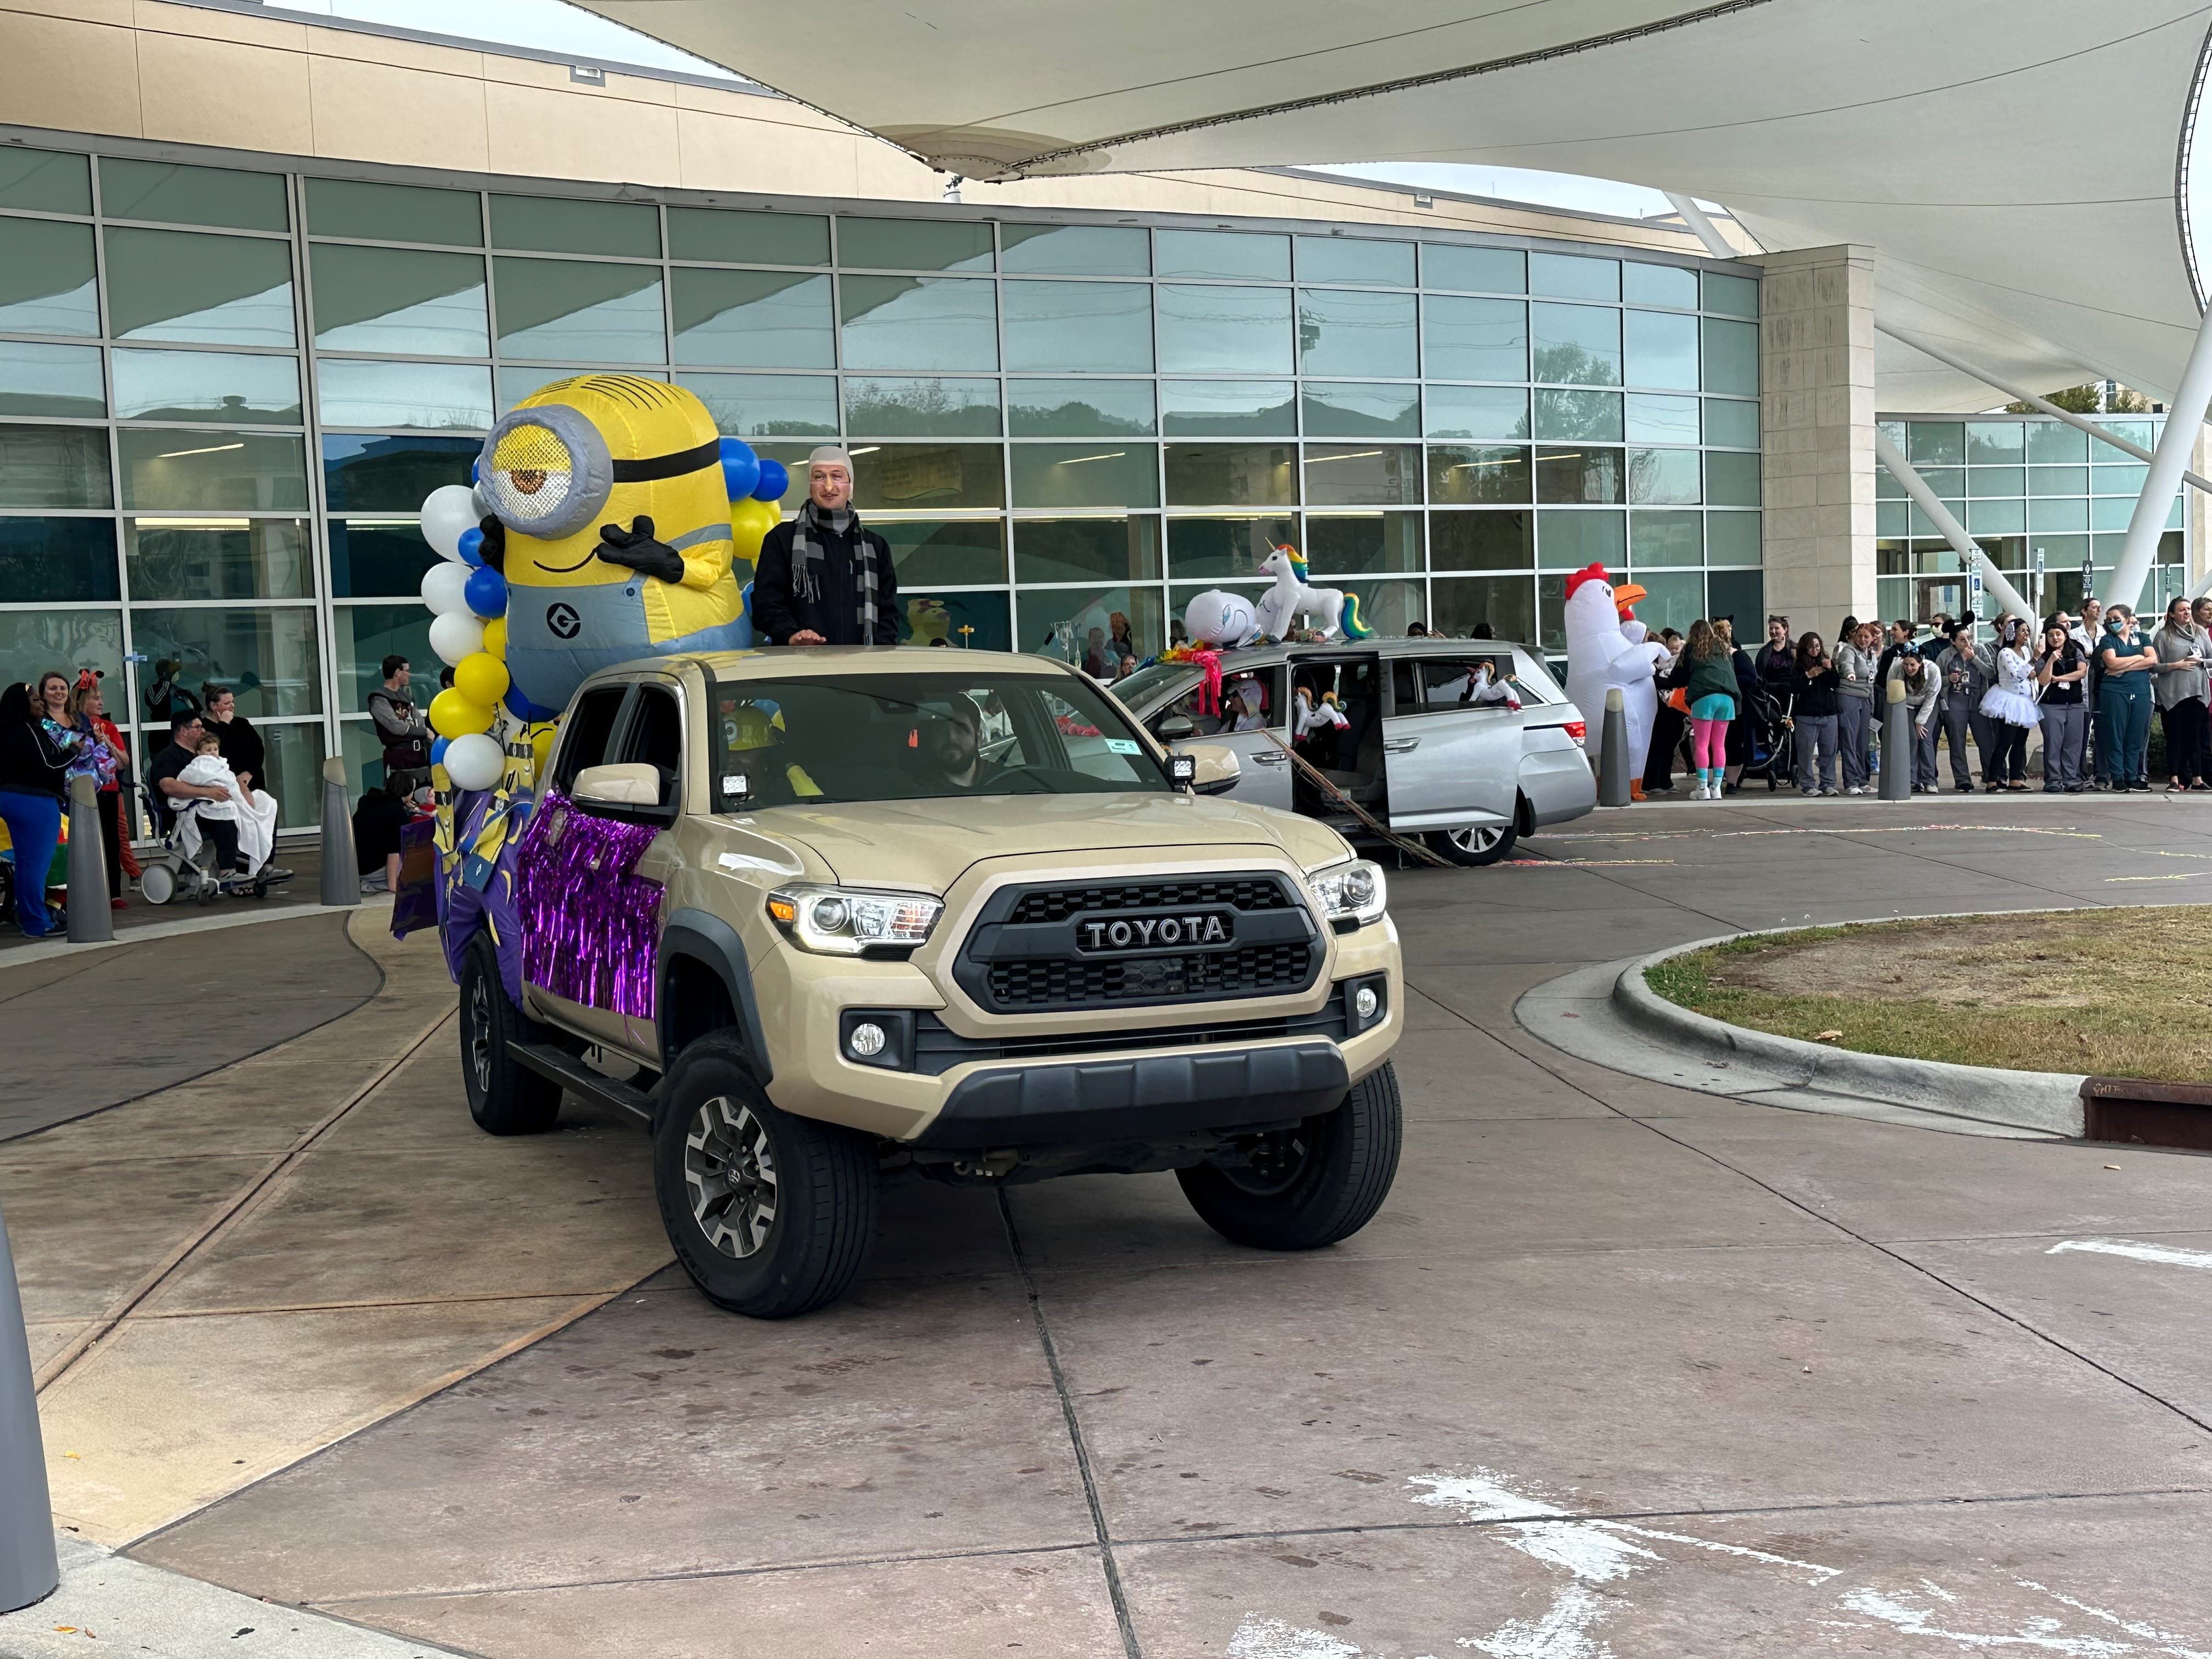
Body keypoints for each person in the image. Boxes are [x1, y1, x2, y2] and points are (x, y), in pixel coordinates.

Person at [753, 446, 900, 647]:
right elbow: (765, 605)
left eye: (837, 476)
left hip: (862, 668)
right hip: (797, 667)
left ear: (850, 484)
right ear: (810, 485)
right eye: (819, 477)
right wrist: (792, 635)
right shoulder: (781, 540)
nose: (829, 487)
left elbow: (887, 614)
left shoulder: (876, 547)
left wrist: (878, 658)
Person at [0, 678, 87, 935]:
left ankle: (33, 918)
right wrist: (74, 751)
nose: (41, 704)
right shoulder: (28, 729)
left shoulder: (7, 728)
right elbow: (50, 766)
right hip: (34, 802)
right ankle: (38, 923)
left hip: (10, 799)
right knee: (35, 866)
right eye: (35, 700)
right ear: (22, 704)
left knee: (27, 865)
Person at [177, 727, 279, 876]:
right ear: (199, 753)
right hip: (210, 803)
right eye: (208, 750)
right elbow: (192, 777)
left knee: (267, 803)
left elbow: (230, 781)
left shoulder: (223, 764)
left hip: (231, 797)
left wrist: (240, 794)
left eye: (215, 750)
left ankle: (265, 863)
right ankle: (230, 869)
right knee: (227, 813)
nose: (212, 754)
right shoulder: (198, 764)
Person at [64, 673, 128, 908]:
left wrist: (107, 743)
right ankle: (82, 890)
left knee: (111, 841)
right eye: (96, 698)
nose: (101, 703)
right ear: (81, 700)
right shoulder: (70, 725)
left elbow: (123, 762)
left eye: (101, 698)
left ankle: (113, 892)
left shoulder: (109, 727)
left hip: (108, 790)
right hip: (80, 791)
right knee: (80, 841)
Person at [2148, 595, 2208, 791]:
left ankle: (2198, 778)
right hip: (2173, 695)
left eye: (2189, 609)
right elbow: (2154, 666)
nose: (2187, 613)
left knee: (2195, 738)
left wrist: (2201, 662)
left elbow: (2210, 659)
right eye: (2182, 610)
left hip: (2198, 693)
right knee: (2175, 738)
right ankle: (2175, 778)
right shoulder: (2164, 636)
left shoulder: (2200, 633)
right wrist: (2176, 665)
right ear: (2172, 614)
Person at [2096, 605, 2156, 790]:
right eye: (2108, 619)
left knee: (2135, 735)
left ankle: (2133, 776)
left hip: (2140, 691)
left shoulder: (2143, 638)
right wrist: (2139, 658)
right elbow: (2111, 662)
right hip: (2115, 692)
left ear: (2128, 618)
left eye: (2115, 618)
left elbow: (2153, 660)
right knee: (2116, 734)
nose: (2111, 622)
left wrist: (2123, 667)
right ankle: (2118, 777)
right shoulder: (2108, 640)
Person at [1978, 617, 2041, 791]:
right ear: (2013, 633)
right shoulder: (2005, 653)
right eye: (2022, 630)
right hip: (2009, 700)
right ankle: (1992, 780)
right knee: (2005, 742)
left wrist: (2031, 668)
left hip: (2025, 701)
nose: (2026, 634)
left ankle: (2015, 778)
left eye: (2027, 630)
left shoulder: (2026, 651)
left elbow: (2029, 673)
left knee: (2020, 742)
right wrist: (2033, 662)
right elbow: (2017, 675)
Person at [1679, 619, 1738, 800]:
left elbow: (1681, 674)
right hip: (1727, 699)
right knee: (1719, 745)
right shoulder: (1722, 648)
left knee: (1702, 744)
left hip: (1704, 698)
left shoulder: (1694, 648)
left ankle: (1703, 787)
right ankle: (1717, 788)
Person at [1933, 620, 1994, 792]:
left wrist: (1974, 659)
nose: (1967, 643)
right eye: (1962, 639)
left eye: (1969, 638)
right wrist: (1948, 679)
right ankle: (1962, 779)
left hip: (1978, 699)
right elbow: (1935, 679)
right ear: (1953, 641)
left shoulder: (1980, 650)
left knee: (1985, 740)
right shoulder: (1946, 655)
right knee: (1957, 741)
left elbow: (1990, 672)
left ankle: (1991, 777)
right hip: (1956, 699)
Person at [2035, 617, 2090, 794]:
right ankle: (2053, 779)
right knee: (2053, 743)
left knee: (2073, 743)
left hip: (2074, 703)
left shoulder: (2076, 650)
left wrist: (2059, 679)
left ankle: (2071, 779)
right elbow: (2043, 680)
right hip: (2052, 705)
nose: (2055, 638)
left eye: (2058, 634)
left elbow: (2081, 672)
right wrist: (2051, 660)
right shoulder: (2043, 655)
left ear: (2065, 635)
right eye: (2051, 635)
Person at [369, 655, 432, 798]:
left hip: (420, 756)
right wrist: (424, 732)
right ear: (398, 672)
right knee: (401, 794)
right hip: (399, 758)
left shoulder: (406, 697)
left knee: (425, 797)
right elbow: (396, 727)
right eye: (407, 670)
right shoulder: (379, 699)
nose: (409, 674)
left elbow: (418, 720)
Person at [1788, 631, 1842, 796]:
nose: (1815, 650)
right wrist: (1808, 676)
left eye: (1817, 646)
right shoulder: (1798, 666)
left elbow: (1836, 684)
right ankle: (1807, 785)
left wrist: (1832, 669)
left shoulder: (1826, 662)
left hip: (1828, 713)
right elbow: (1794, 688)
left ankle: (1828, 783)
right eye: (1811, 647)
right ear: (1805, 648)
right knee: (1805, 752)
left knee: (1829, 751)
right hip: (1807, 715)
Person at [1833, 620, 1879, 794]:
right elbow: (1847, 665)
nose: (1862, 639)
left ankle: (1862, 780)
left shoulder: (1871, 654)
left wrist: (1872, 703)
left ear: (1872, 638)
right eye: (1859, 636)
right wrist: (1850, 673)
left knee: (1863, 743)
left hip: (1866, 698)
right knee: (1850, 741)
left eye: (1866, 637)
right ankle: (1851, 782)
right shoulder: (1848, 650)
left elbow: (1872, 678)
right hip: (1849, 696)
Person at [1715, 616, 1758, 792]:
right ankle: (1719, 782)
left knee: (1731, 743)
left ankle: (1731, 782)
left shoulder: (1737, 655)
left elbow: (1751, 677)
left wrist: (1728, 681)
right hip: (1719, 705)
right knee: (1718, 744)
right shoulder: (1711, 656)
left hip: (1736, 706)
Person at [919, 695, 995, 792]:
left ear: (978, 737)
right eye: (941, 731)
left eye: (960, 729)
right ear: (931, 738)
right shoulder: (916, 792)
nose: (951, 738)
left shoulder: (1006, 780)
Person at [200, 682, 265, 793]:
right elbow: (218, 749)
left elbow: (258, 749)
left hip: (251, 781)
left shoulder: (242, 723)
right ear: (214, 706)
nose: (232, 706)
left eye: (232, 702)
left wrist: (250, 772)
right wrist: (224, 725)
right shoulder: (204, 728)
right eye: (227, 703)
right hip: (224, 784)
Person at [352, 781, 409, 895]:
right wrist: (393, 885)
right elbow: (394, 851)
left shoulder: (367, 801)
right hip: (373, 869)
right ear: (408, 794)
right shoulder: (397, 812)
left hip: (353, 866)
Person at [1897, 652, 1942, 792]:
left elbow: (1931, 698)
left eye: (1912, 665)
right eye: (1906, 664)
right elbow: (1893, 690)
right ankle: (1911, 780)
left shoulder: (1933, 670)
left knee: (1925, 737)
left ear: (1920, 664)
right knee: (1912, 740)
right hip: (1907, 704)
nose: (1909, 668)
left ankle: (1929, 780)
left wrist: (1920, 722)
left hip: (1928, 705)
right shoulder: (1897, 668)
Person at [142, 657, 201, 727]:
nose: (176, 674)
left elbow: (197, 708)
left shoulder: (180, 690)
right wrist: (166, 682)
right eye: (173, 672)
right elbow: (156, 704)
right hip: (162, 731)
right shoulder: (152, 690)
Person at [1753, 614, 1795, 698]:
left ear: (1785, 629)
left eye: (1777, 628)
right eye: (1771, 628)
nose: (1773, 631)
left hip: (1791, 692)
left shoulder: (1795, 649)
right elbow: (1759, 674)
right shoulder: (1763, 652)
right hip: (1769, 693)